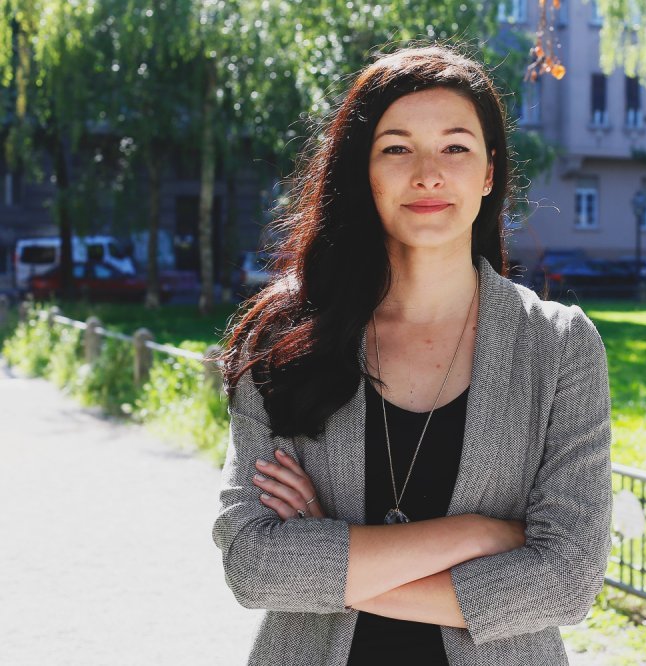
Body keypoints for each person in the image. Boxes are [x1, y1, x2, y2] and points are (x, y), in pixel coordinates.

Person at [212, 43, 612, 666]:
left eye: (455, 148)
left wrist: (329, 554)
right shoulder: (286, 337)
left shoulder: (559, 347)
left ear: (488, 173)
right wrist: (477, 535)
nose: (428, 174)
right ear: (363, 172)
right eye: (397, 149)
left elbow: (566, 579)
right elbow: (254, 566)